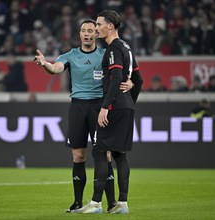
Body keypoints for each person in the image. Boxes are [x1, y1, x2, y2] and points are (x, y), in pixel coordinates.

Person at [33, 19, 133, 213]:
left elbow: (124, 73)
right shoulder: (70, 55)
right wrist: (45, 63)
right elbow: (56, 69)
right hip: (78, 107)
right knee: (78, 156)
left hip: (100, 106)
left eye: (90, 30)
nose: (86, 33)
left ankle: (111, 203)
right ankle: (78, 203)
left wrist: (131, 83)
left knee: (104, 155)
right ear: (79, 35)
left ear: (96, 34)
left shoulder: (106, 54)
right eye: (83, 31)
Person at [75, 10, 143, 214]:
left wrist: (105, 107)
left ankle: (95, 203)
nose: (96, 28)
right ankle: (122, 204)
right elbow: (138, 80)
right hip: (126, 105)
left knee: (99, 151)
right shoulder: (127, 48)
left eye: (98, 24)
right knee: (120, 155)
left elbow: (115, 79)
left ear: (110, 26)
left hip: (114, 106)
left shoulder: (113, 49)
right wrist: (129, 102)